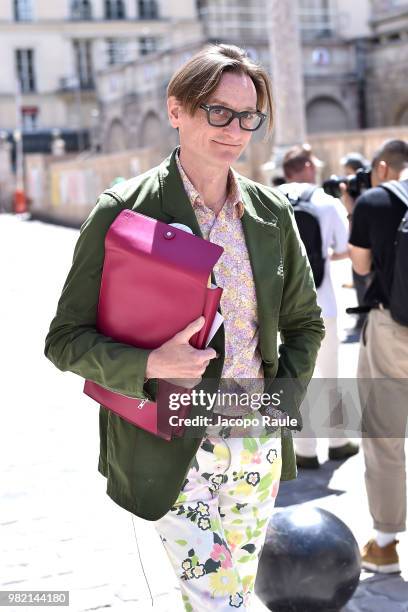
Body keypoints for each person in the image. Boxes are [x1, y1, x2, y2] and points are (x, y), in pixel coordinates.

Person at [44, 44, 324, 610]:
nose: (235, 129)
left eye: (249, 117)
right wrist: (150, 365)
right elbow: (64, 340)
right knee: (225, 602)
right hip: (168, 442)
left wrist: (277, 406)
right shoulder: (126, 209)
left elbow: (305, 324)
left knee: (227, 595)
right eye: (219, 112)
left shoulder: (272, 212)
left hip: (255, 442)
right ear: (177, 109)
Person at [279, 144, 359, 469]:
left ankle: (305, 450)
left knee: (294, 378)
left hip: (281, 311)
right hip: (321, 305)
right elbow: (345, 248)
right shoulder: (327, 203)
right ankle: (338, 442)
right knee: (331, 376)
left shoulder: (266, 200)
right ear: (309, 168)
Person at [349, 139, 408, 573]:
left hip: (395, 331)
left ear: (384, 168)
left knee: (384, 433)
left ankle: (384, 544)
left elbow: (363, 268)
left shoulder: (373, 201)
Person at [340, 152, 372, 331]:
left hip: (361, 240)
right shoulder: (366, 185)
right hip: (364, 238)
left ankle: (364, 319)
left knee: (361, 278)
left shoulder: (359, 190)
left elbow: (353, 211)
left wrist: (346, 195)